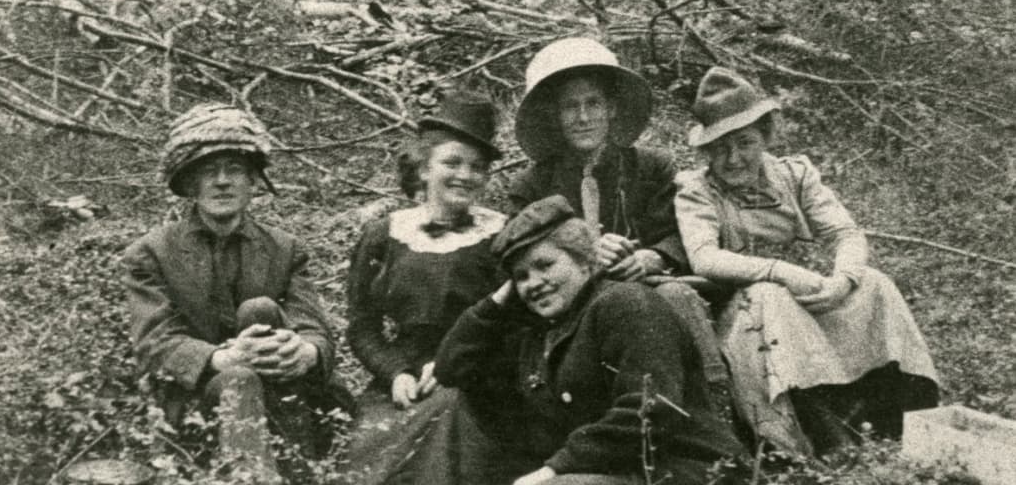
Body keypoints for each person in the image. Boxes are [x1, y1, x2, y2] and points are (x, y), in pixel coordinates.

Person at [674, 67, 941, 455]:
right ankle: (816, 436)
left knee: (874, 284)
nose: (733, 159)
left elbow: (845, 233)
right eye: (719, 149)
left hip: (810, 296)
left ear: (765, 136)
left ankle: (902, 421)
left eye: (745, 143)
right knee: (768, 296)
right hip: (743, 314)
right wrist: (780, 272)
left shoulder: (795, 175)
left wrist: (844, 279)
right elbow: (704, 258)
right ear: (706, 152)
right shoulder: (696, 191)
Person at [435, 195, 747, 485]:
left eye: (545, 265)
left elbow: (652, 408)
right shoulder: (537, 336)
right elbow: (451, 368)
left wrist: (555, 468)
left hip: (686, 469)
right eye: (521, 276)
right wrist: (500, 299)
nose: (534, 284)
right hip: (607, 475)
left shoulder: (625, 304)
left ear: (584, 260)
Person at [122, 103, 353, 483]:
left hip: (284, 391)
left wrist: (304, 352)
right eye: (209, 171)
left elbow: (315, 329)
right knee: (239, 378)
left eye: (235, 170)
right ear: (190, 183)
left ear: (254, 182)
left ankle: (299, 471)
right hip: (197, 400)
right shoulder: (152, 253)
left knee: (260, 310)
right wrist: (225, 358)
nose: (222, 181)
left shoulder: (285, 248)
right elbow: (154, 343)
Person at [508, 37, 728, 384]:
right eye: (570, 106)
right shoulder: (531, 187)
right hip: (573, 308)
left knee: (676, 296)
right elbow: (523, 262)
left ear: (611, 107)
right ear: (555, 114)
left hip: (652, 291)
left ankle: (716, 399)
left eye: (593, 103)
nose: (583, 117)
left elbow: (684, 232)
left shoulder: (652, 167)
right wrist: (588, 256)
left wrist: (650, 258)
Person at [343, 92, 506, 484]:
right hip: (402, 381)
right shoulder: (385, 234)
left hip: (478, 378)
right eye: (452, 162)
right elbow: (362, 326)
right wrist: (393, 371)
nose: (465, 175)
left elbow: (516, 321)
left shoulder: (501, 235)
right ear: (423, 168)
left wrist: (457, 361)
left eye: (477, 167)